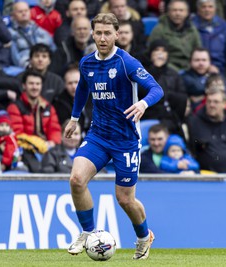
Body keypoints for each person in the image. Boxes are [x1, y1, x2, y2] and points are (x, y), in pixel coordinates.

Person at [64, 13, 163, 259]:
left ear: (117, 35)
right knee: (76, 180)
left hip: (125, 140)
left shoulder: (126, 62)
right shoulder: (87, 63)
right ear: (92, 33)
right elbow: (82, 88)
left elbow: (156, 88)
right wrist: (75, 118)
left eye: (107, 33)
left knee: (125, 200)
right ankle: (87, 232)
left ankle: (144, 236)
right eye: (98, 32)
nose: (102, 37)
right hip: (98, 135)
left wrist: (142, 104)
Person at [148, 0, 202, 71]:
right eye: (174, 10)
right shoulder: (159, 29)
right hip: (167, 67)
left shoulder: (192, 29)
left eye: (181, 10)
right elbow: (152, 53)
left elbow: (198, 50)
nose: (178, 13)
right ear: (168, 12)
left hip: (190, 68)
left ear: (187, 13)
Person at [8, 1, 57, 68]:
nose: (24, 13)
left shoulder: (40, 31)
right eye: (20, 11)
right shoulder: (10, 33)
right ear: (13, 15)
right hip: (26, 67)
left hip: (46, 66)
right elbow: (15, 57)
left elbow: (53, 49)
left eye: (26, 11)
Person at [191, 0, 226, 73]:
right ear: (198, 9)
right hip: (198, 67)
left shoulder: (224, 26)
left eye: (210, 7)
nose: (207, 10)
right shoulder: (191, 26)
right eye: (203, 7)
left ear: (215, 9)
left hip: (221, 68)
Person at [52, 65, 92, 136]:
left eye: (76, 82)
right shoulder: (59, 103)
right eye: (70, 83)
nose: (73, 86)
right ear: (65, 85)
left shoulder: (94, 97)